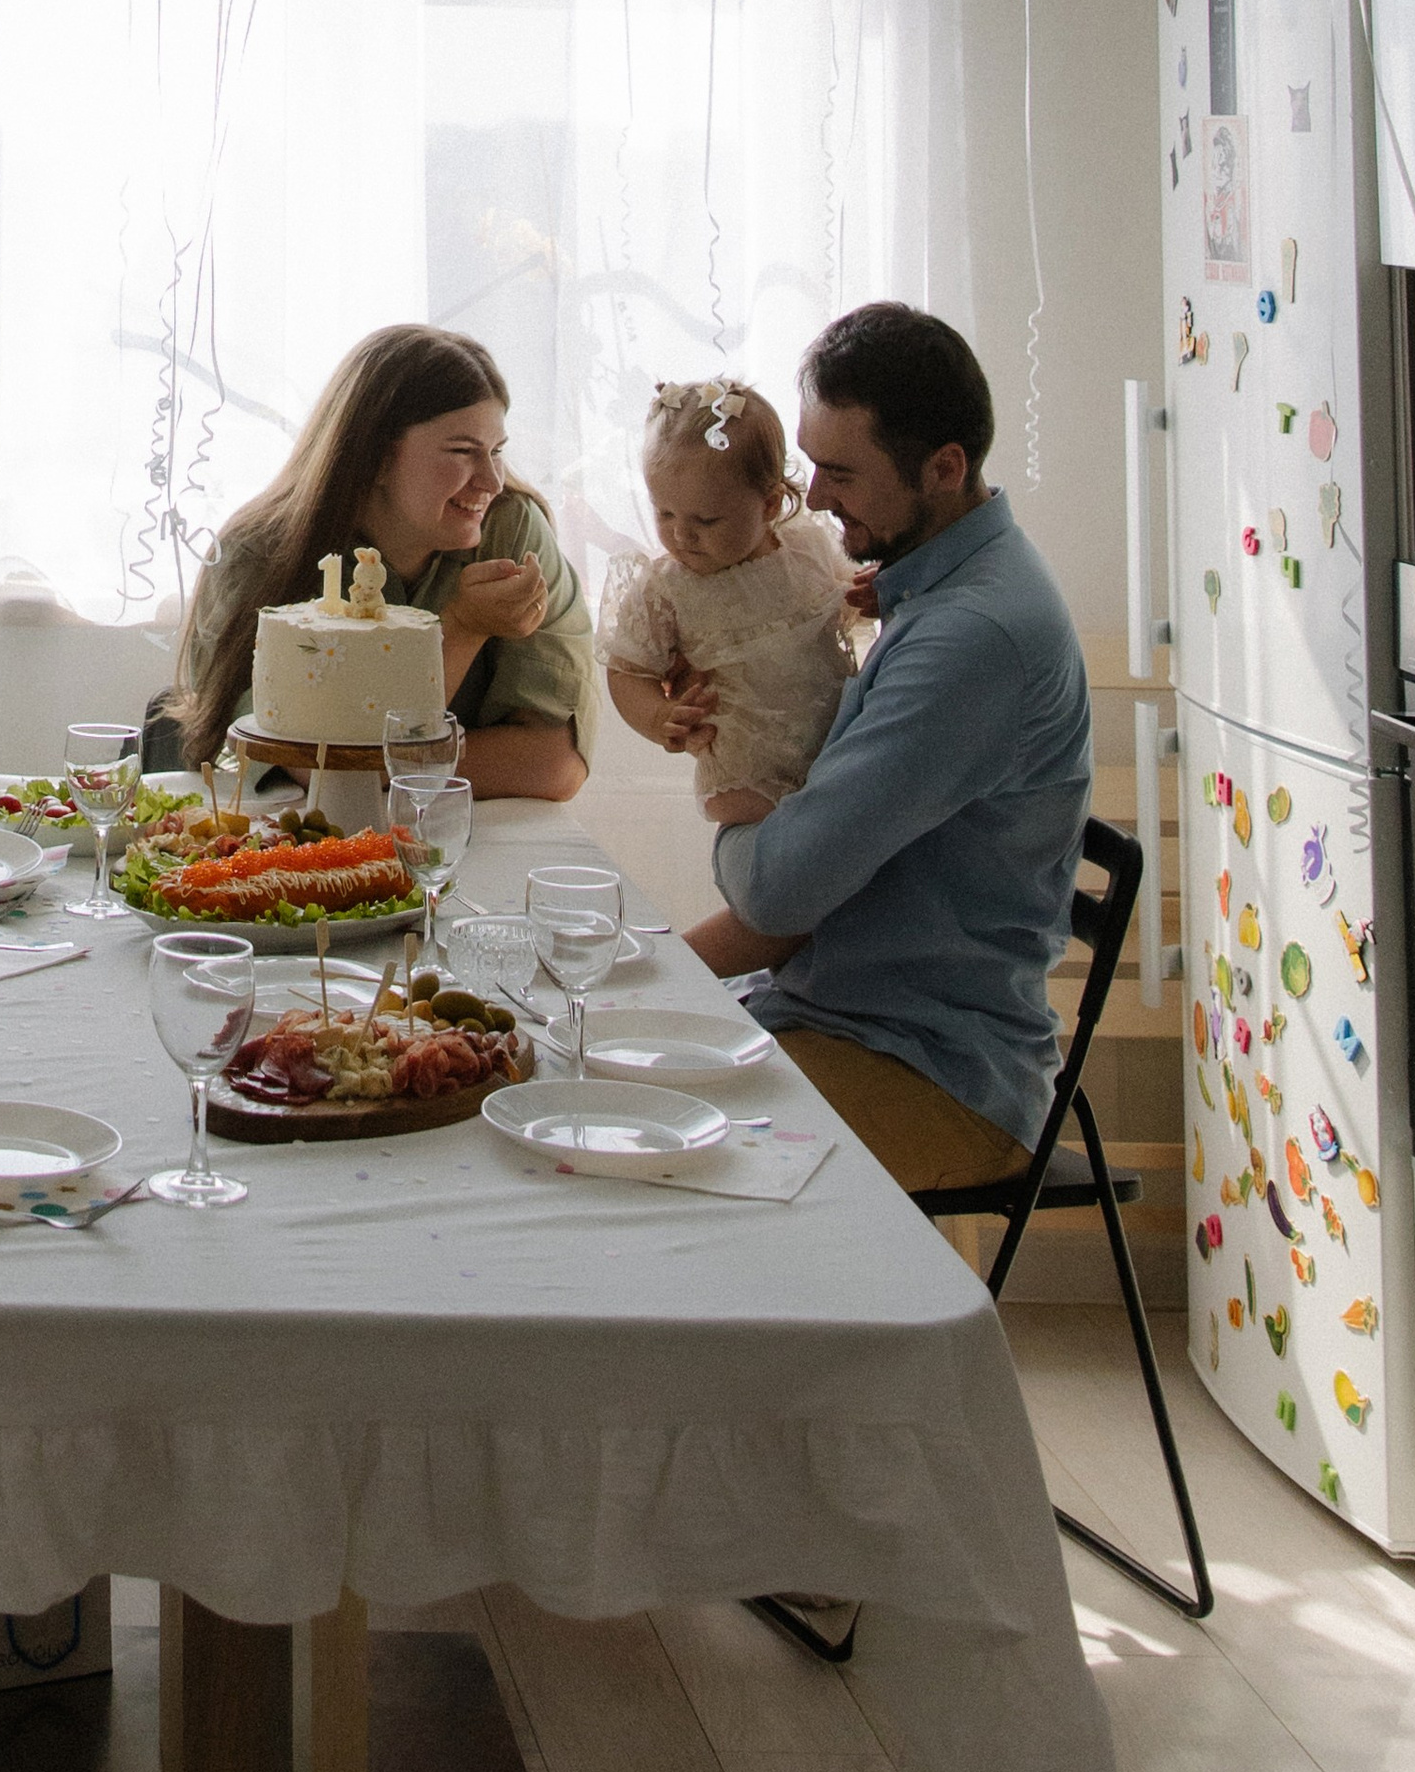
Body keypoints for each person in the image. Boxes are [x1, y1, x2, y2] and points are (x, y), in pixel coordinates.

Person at [691, 301, 1091, 1197]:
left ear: (945, 469)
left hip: (930, 1067)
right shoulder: (943, 589)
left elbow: (780, 888)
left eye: (841, 472)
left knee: (636, 1147)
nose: (817, 497)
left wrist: (736, 798)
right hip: (848, 1016)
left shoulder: (974, 636)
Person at [165, 324, 592, 801]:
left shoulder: (511, 531)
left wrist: (373, 762)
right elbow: (314, 771)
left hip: (466, 841)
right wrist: (465, 628)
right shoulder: (259, 553)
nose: (492, 481)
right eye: (463, 452)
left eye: (496, 452)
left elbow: (556, 765)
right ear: (376, 458)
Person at [597, 379, 854, 819]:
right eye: (665, 513)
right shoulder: (665, 588)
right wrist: (659, 718)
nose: (681, 534)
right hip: (745, 767)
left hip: (836, 742)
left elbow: (840, 604)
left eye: (707, 519)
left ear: (770, 504)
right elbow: (628, 671)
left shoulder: (807, 546)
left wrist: (862, 594)